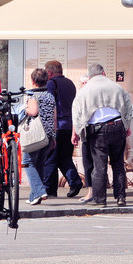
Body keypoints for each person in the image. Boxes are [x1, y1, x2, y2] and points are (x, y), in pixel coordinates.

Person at [72, 63, 133, 207]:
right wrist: (127, 125)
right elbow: (128, 106)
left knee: (99, 166)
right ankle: (121, 197)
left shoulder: (84, 90)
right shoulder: (117, 87)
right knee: (118, 163)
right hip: (118, 127)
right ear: (104, 73)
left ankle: (100, 200)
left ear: (90, 76)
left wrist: (79, 132)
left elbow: (77, 113)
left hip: (98, 130)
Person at [43, 60, 83, 198]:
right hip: (69, 126)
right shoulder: (70, 83)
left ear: (49, 72)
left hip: (57, 125)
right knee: (65, 157)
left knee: (50, 159)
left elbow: (50, 105)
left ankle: (49, 190)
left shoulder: (50, 84)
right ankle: (75, 181)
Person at [23, 67, 58, 205]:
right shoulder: (50, 96)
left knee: (28, 162)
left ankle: (40, 190)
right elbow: (54, 117)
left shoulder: (33, 96)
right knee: (39, 165)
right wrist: (54, 136)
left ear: (33, 81)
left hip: (36, 136)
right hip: (48, 136)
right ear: (46, 80)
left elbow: (33, 111)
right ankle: (34, 197)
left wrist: (24, 108)